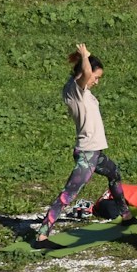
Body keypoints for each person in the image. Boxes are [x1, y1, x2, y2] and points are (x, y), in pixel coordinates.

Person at [35, 42, 125, 248]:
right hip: (87, 154)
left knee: (114, 173)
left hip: (96, 153)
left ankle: (126, 215)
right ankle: (42, 236)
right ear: (86, 73)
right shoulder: (75, 89)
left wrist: (85, 60)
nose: (97, 81)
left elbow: (86, 74)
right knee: (68, 194)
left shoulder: (81, 91)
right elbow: (85, 73)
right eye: (96, 77)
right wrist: (85, 56)